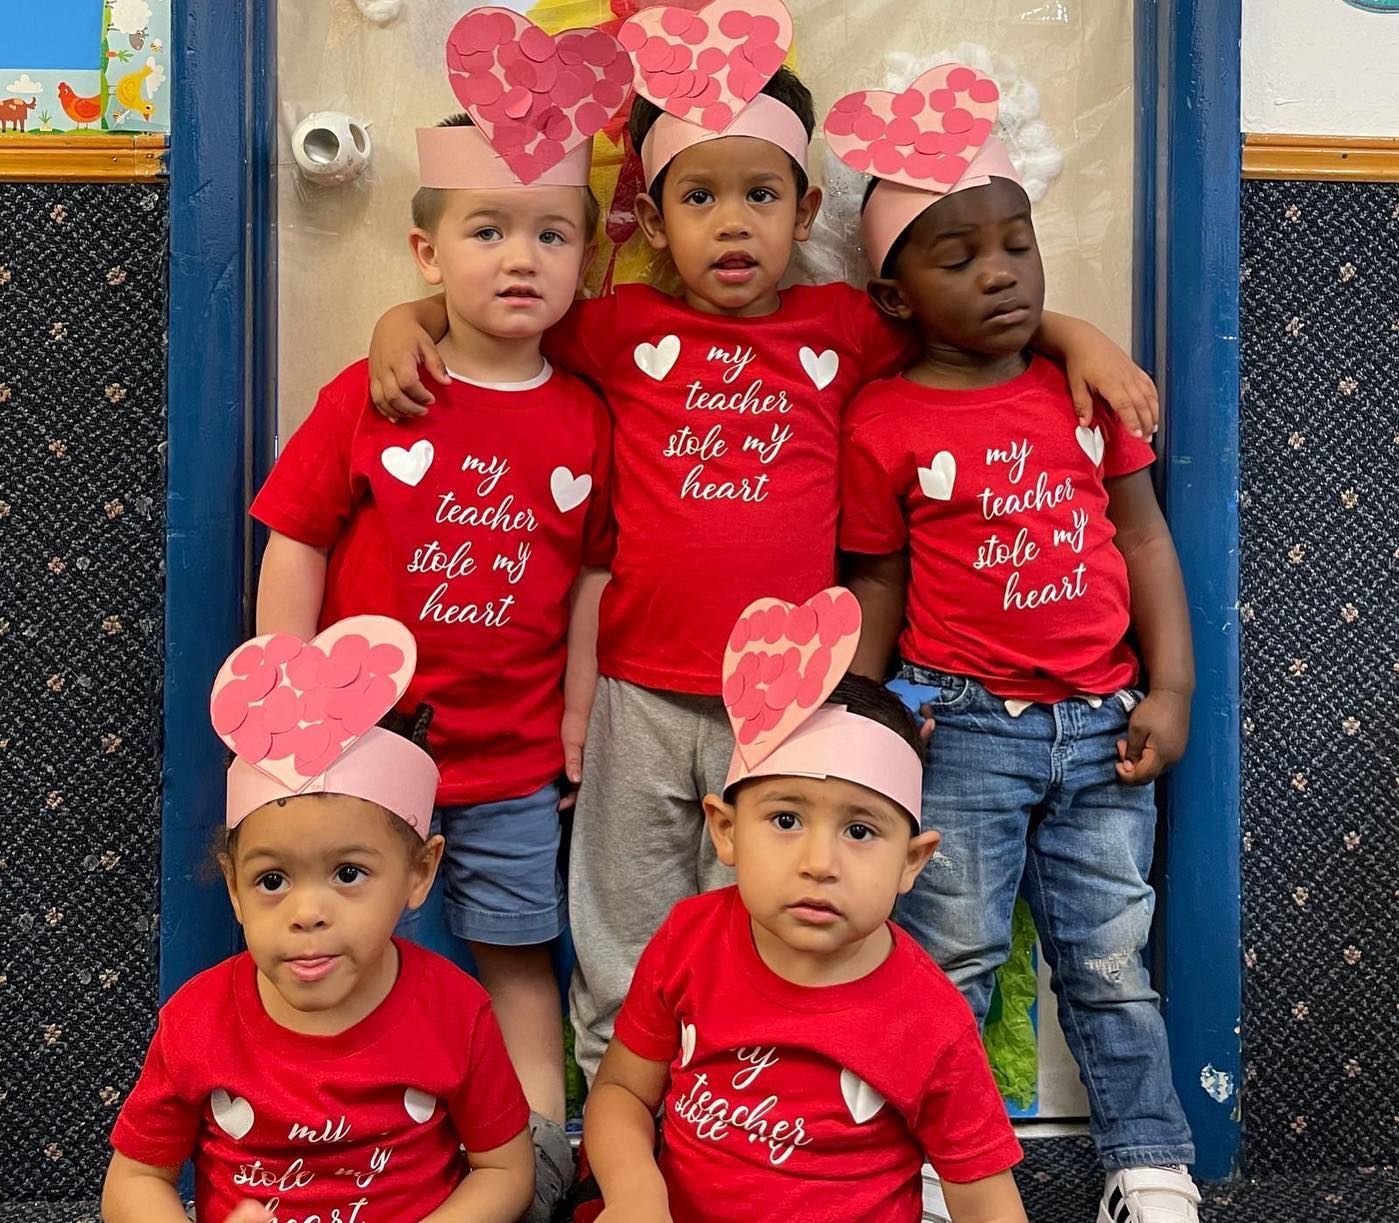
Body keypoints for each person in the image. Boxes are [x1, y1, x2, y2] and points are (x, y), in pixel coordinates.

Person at [365, 0, 1159, 1086]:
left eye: (760, 196)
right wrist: (396, 322)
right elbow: (489, 309)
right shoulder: (618, 333)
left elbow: (964, 315)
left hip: (790, 700)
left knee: (764, 929)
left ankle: (737, 1123)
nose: (732, 224)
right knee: (623, 932)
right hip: (641, 691)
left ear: (807, 208)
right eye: (699, 198)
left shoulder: (841, 325)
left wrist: (1078, 332)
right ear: (648, 218)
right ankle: (614, 1143)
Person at [249, 17, 624, 1211]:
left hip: (511, 761)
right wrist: (284, 700)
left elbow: (591, 585)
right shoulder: (376, 390)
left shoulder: (586, 416)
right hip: (359, 748)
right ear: (425, 250)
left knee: (518, 952)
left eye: (550, 234)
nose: (521, 257)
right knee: (350, 940)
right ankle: (351, 1140)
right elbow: (298, 538)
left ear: (583, 259)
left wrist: (573, 721)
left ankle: (541, 1150)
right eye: (487, 230)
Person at [834, 64, 1200, 1223]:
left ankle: (1149, 1162)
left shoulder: (1077, 393)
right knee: (949, 960)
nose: (997, 272)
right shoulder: (882, 419)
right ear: (895, 298)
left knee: (1109, 966)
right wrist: (867, 705)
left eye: (1015, 245)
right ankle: (941, 1167)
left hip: (1103, 724)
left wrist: (1173, 684)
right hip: (963, 724)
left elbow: (1142, 540)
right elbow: (878, 575)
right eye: (955, 257)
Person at [583, 589, 1028, 1223]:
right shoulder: (690, 939)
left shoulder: (929, 1020)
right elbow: (624, 1089)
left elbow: (987, 1202)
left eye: (860, 831)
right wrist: (634, 1196)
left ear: (911, 861)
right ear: (727, 829)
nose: (819, 862)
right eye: (786, 819)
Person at [103, 616, 533, 1223]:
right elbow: (136, 1177)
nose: (307, 914)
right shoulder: (196, 1021)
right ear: (233, 885)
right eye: (272, 881)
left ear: (419, 871)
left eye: (349, 874)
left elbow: (505, 1170)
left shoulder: (456, 1012)